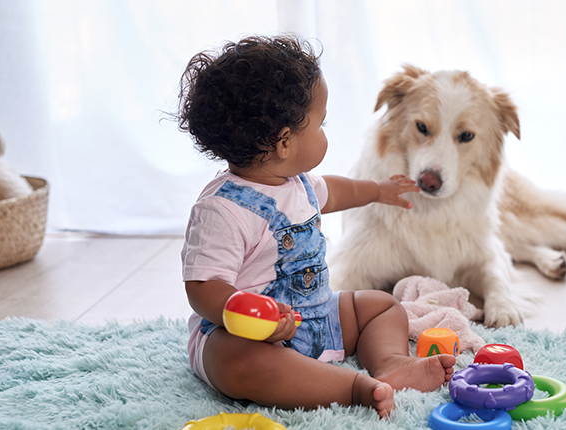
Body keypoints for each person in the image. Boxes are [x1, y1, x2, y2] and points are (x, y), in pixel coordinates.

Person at [177, 34, 455, 418]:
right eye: (321, 123)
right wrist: (254, 316)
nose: (326, 132)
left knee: (380, 305)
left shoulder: (297, 184)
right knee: (240, 363)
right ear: (284, 142)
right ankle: (351, 387)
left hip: (316, 315)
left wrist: (378, 189)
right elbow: (202, 287)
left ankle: (390, 362)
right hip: (248, 337)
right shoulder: (222, 210)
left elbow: (337, 192)